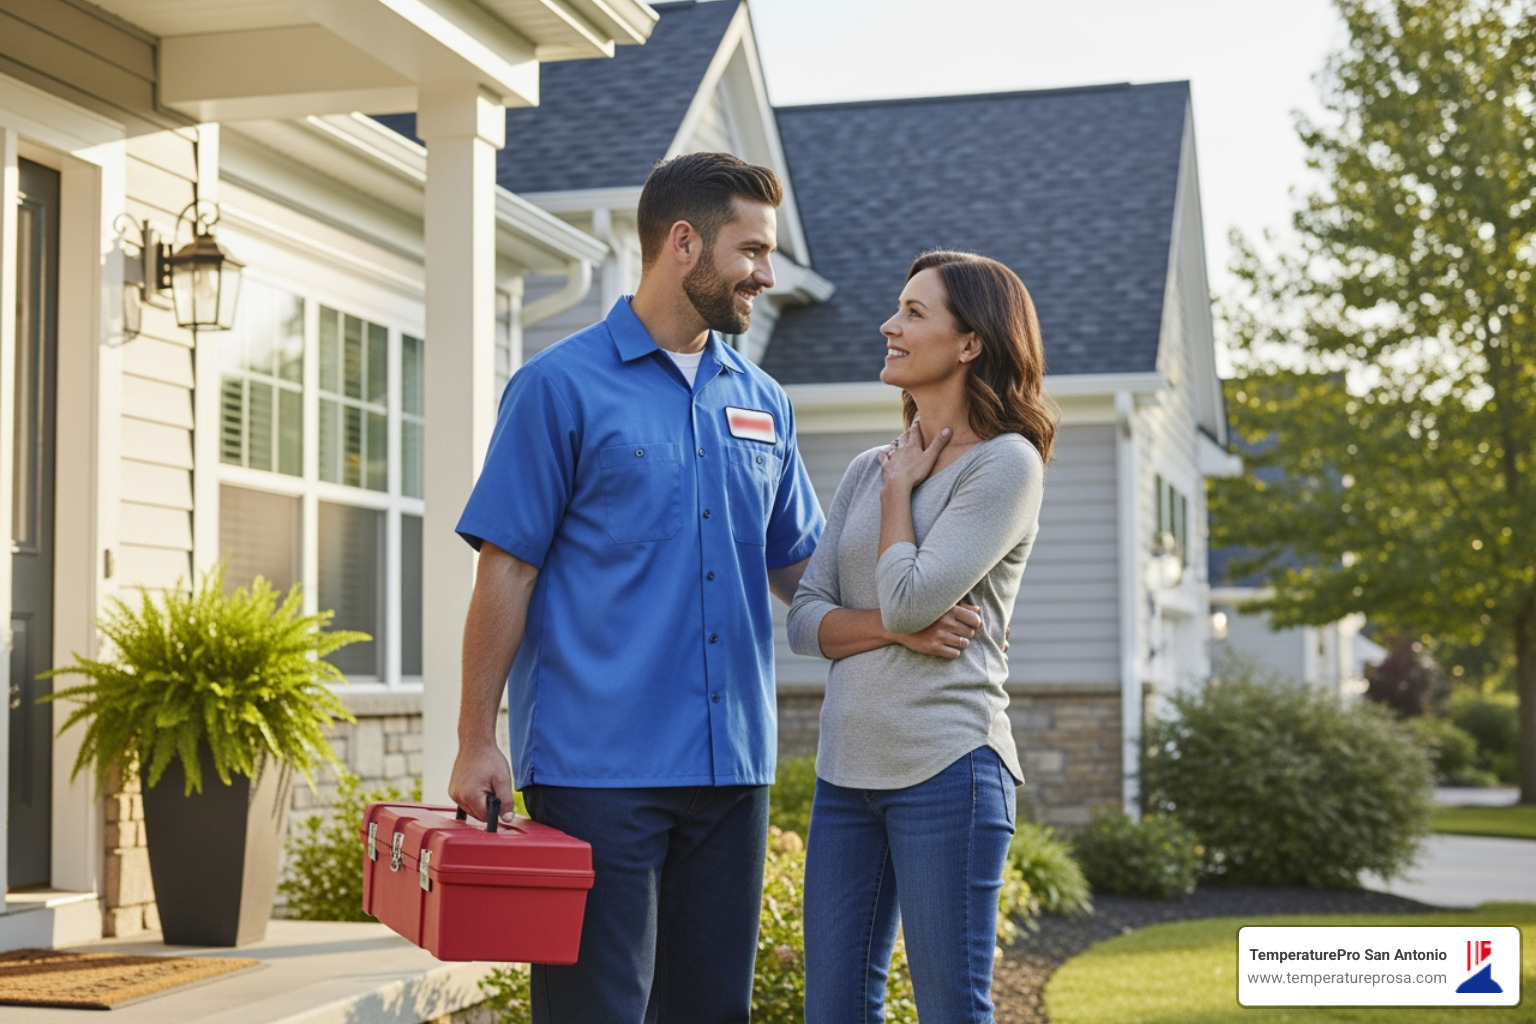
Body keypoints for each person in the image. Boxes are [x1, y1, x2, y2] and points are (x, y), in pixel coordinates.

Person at [448, 152, 825, 1024]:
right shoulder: (557, 387)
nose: (767, 276)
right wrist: (477, 739)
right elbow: (506, 566)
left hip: (733, 768)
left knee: (710, 1012)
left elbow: (798, 568)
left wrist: (909, 598)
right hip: (598, 770)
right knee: (597, 1012)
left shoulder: (764, 401)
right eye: (753, 251)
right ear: (683, 243)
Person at [787, 250, 1057, 1024]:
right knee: (833, 1011)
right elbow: (806, 617)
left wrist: (904, 492)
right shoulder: (869, 466)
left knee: (950, 1010)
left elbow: (908, 599)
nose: (889, 325)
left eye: (914, 312)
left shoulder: (1005, 464)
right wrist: (892, 629)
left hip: (949, 768)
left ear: (970, 342)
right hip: (846, 774)